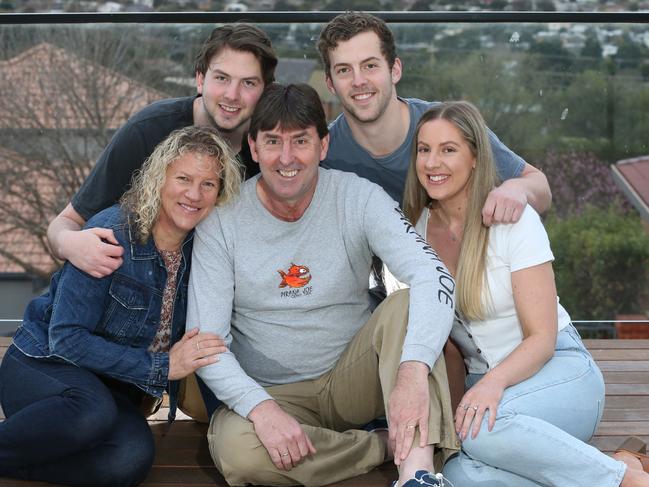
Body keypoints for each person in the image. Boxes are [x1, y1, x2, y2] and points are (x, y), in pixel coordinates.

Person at [186, 83, 458, 487]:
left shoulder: (360, 197)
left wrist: (413, 371)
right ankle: (381, 446)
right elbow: (207, 343)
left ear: (323, 145)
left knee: (406, 306)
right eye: (273, 141)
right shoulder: (222, 220)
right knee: (238, 454)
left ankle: (416, 473)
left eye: (301, 141)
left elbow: (433, 274)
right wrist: (261, 409)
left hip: (352, 377)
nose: (287, 157)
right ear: (254, 147)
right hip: (273, 391)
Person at [401, 100, 649, 487]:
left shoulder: (511, 219)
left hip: (560, 375)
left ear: (475, 157)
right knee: (458, 471)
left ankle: (625, 482)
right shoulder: (416, 234)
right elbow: (446, 346)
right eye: (424, 150)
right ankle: (614, 467)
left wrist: (489, 387)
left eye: (449, 150)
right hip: (490, 397)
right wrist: (449, 423)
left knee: (479, 433)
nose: (433, 163)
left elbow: (543, 339)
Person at [0, 126, 242, 487]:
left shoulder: (205, 252)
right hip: (44, 370)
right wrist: (163, 366)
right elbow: (66, 340)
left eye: (208, 184)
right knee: (90, 411)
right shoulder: (112, 234)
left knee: (130, 458)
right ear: (159, 179)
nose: (194, 194)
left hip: (111, 391)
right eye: (184, 178)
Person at [47, 23, 277, 279]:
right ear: (200, 80)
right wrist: (71, 244)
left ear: (265, 91)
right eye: (221, 78)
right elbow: (66, 222)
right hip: (139, 291)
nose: (232, 95)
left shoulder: (272, 147)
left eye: (248, 83)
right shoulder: (149, 130)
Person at [317, 12, 551, 223]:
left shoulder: (446, 126)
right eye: (344, 70)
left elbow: (540, 188)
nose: (359, 81)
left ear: (395, 70)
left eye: (370, 65)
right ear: (330, 83)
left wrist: (516, 189)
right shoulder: (324, 152)